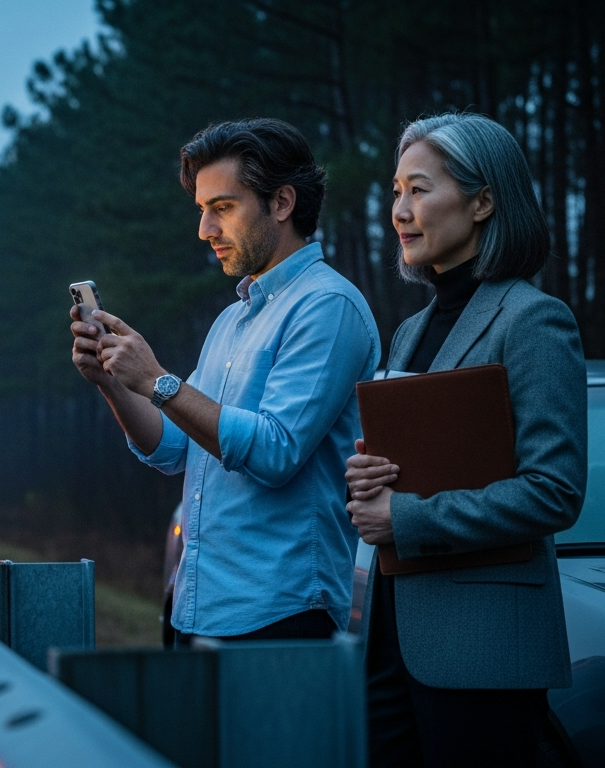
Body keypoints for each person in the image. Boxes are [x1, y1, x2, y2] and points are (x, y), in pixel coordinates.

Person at [69, 118, 380, 642]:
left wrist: (159, 381)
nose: (204, 230)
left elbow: (277, 451)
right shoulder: (231, 320)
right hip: (196, 605)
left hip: (281, 614)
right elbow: (172, 447)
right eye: (201, 210)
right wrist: (115, 382)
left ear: (281, 203)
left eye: (223, 208)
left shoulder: (328, 306)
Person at [345, 112, 587, 767]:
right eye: (396, 191)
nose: (400, 209)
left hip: (481, 650)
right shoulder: (408, 331)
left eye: (419, 190)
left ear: (483, 201)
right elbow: (415, 464)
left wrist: (405, 516)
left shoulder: (535, 320)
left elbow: (553, 492)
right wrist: (370, 479)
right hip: (391, 640)